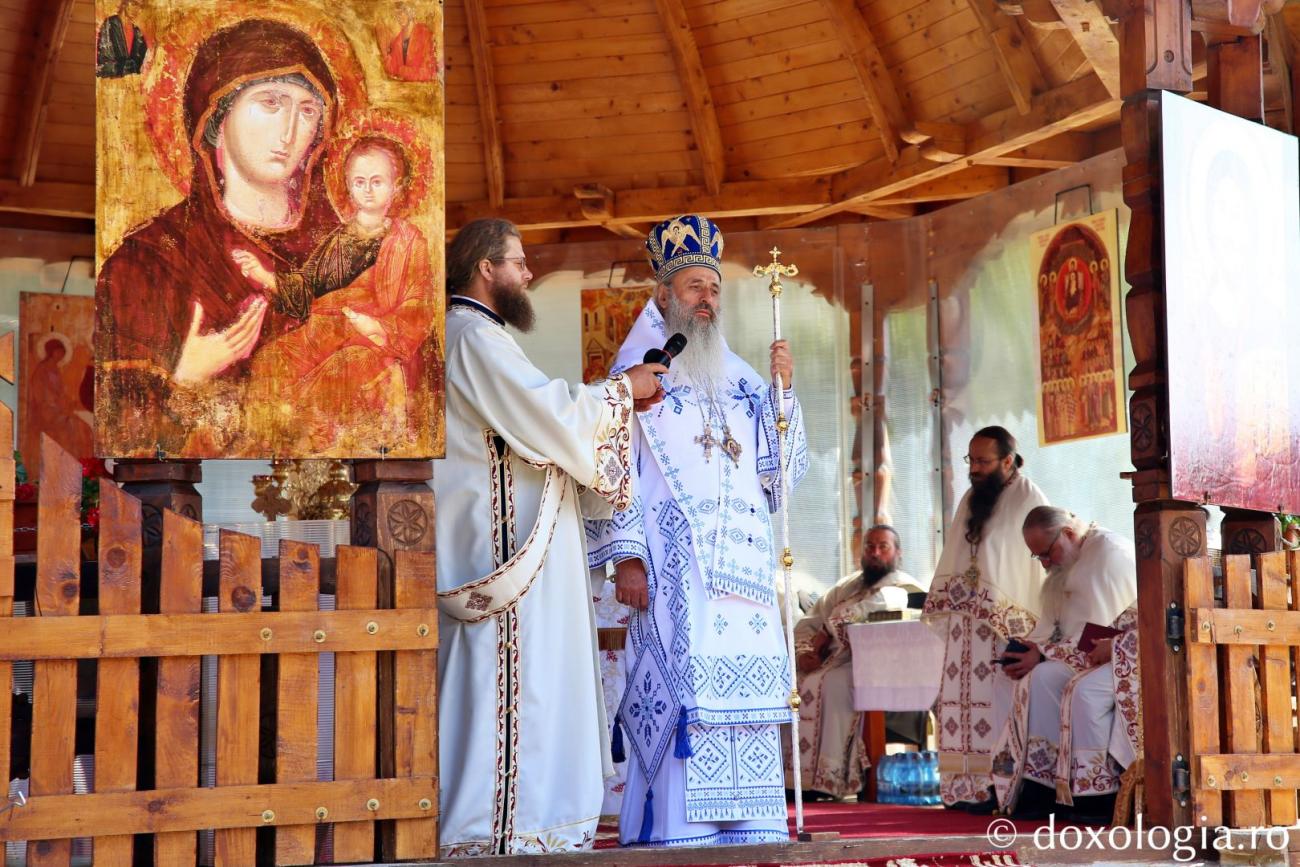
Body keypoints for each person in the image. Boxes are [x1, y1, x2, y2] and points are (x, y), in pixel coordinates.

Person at [435, 218, 668, 858]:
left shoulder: (478, 337)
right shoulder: (472, 335)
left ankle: (533, 828)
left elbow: (540, 419)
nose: (528, 273)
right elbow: (547, 415)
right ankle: (499, 834)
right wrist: (624, 392)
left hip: (523, 549)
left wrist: (612, 401)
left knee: (535, 681)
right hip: (506, 554)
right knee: (514, 686)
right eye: (518, 261)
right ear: (486, 267)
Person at [587, 214, 809, 848]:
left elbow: (779, 481)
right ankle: (678, 831)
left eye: (713, 288)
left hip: (743, 575)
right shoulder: (636, 373)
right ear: (664, 296)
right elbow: (611, 465)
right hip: (673, 567)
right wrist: (626, 559)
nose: (707, 299)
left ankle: (753, 824)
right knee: (683, 693)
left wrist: (783, 396)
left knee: (745, 698)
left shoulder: (740, 375)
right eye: (693, 288)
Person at [96, 18, 342, 456]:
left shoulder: (348, 255)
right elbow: (123, 434)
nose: (290, 132)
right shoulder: (148, 261)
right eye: (270, 102)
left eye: (307, 111)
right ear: (216, 116)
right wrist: (185, 376)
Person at [235, 136, 435, 452]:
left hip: (369, 340)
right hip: (324, 330)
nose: (368, 190)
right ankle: (268, 445)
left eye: (377, 181)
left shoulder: (409, 241)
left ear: (396, 187)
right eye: (359, 182)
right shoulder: (338, 239)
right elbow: (308, 287)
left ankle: (314, 440)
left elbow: (417, 303)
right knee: (270, 360)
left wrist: (377, 327)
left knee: (341, 367)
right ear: (348, 187)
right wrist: (266, 278)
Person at [921, 426, 1049, 811]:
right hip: (964, 624)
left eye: (983, 461)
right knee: (956, 704)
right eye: (971, 460)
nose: (974, 469)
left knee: (995, 704)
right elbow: (958, 555)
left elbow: (1023, 564)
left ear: (1007, 460)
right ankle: (963, 788)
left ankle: (997, 787)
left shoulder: (1029, 497)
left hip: (1000, 625)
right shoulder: (970, 499)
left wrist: (996, 606)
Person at [990, 506, 1139, 823]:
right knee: (1038, 679)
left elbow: (1107, 632)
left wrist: (1045, 653)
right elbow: (1061, 627)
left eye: (1048, 553)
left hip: (1124, 657)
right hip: (1082, 657)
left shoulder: (1108, 557)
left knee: (1075, 688)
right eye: (1038, 558)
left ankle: (1097, 795)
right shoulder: (1071, 560)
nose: (1045, 564)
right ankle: (1040, 787)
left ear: (1069, 534)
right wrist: (1035, 649)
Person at [788, 525, 928, 800]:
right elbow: (808, 624)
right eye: (869, 547)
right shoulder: (846, 586)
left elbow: (859, 616)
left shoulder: (906, 587)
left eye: (883, 547)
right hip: (833, 662)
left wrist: (826, 634)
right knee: (797, 682)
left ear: (898, 553)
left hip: (879, 668)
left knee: (832, 684)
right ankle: (795, 781)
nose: (875, 553)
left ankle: (828, 780)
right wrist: (805, 652)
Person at [96, 0, 147, 78]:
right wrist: (122, 67)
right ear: (125, 3)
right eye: (134, 4)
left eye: (140, 6)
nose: (137, 9)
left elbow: (140, 64)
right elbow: (104, 62)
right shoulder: (110, 24)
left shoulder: (138, 33)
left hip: (132, 84)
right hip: (112, 83)